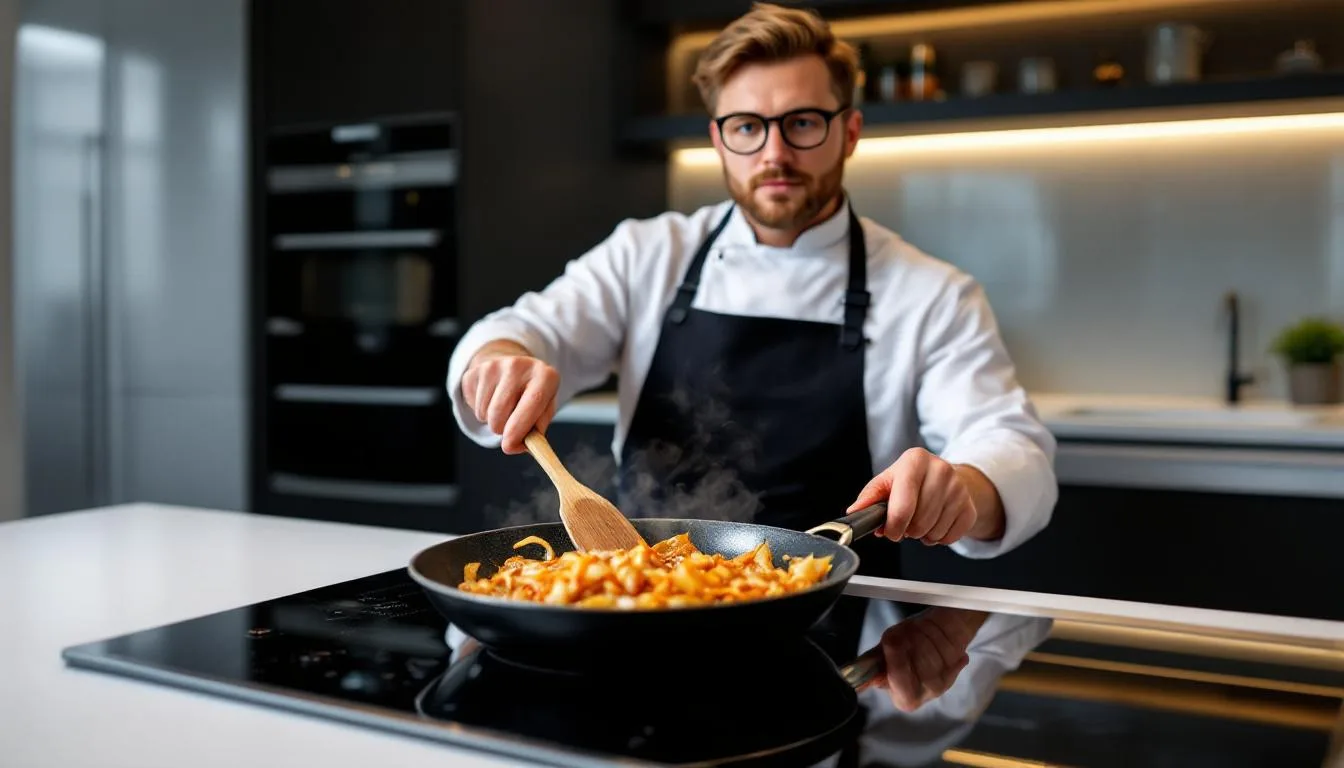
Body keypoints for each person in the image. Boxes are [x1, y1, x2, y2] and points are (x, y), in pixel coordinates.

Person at [446, 1, 1057, 671]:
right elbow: (521, 331)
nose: (775, 153)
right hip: (634, 611)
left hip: (838, 638)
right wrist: (501, 360)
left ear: (849, 132)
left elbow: (1012, 447)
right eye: (747, 127)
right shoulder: (647, 255)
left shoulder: (931, 293)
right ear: (718, 139)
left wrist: (960, 486)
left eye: (803, 123)